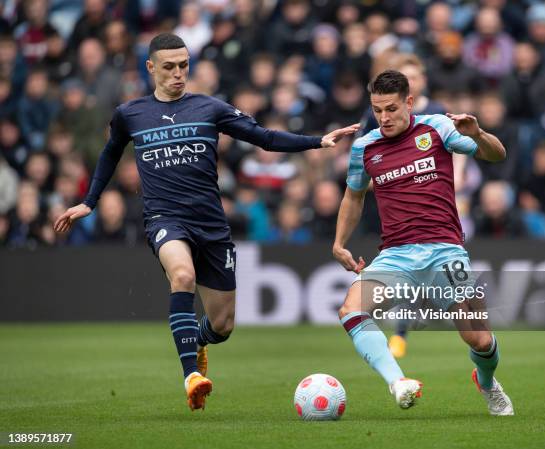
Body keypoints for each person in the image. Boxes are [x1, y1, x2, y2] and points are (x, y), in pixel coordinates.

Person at [54, 33, 358, 412]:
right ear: (151, 68)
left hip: (211, 225)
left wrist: (317, 142)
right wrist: (89, 202)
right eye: (169, 67)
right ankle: (191, 378)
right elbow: (109, 155)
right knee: (181, 276)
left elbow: (263, 137)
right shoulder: (129, 114)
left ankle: (196, 340)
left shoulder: (209, 108)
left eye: (184, 65)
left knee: (223, 325)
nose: (179, 73)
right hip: (165, 219)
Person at [333, 70, 513, 415]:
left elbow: (496, 155)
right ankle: (398, 382)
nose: (383, 118)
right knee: (350, 310)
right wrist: (339, 242)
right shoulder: (365, 147)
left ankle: (487, 381)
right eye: (377, 110)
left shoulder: (437, 128)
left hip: (445, 251)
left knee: (480, 339)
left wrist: (478, 133)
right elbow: (353, 196)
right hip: (395, 256)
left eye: (391, 109)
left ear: (409, 103)